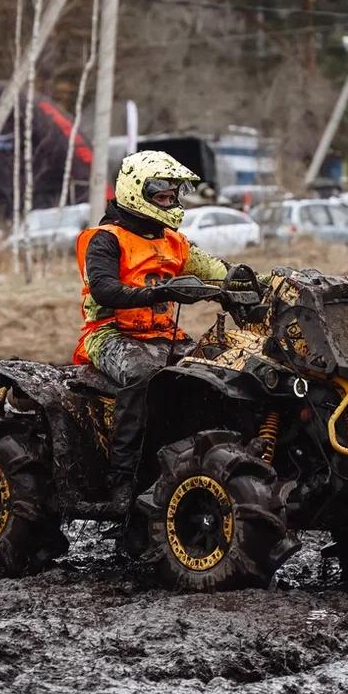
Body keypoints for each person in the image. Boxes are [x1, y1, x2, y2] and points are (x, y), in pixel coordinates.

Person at [74, 150, 233, 510]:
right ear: (136, 192)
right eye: (161, 196)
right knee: (145, 376)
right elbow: (104, 288)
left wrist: (257, 284)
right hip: (110, 334)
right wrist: (161, 291)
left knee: (226, 369)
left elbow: (217, 271)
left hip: (164, 337)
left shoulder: (173, 240)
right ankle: (122, 481)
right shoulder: (105, 238)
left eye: (172, 196)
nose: (169, 202)